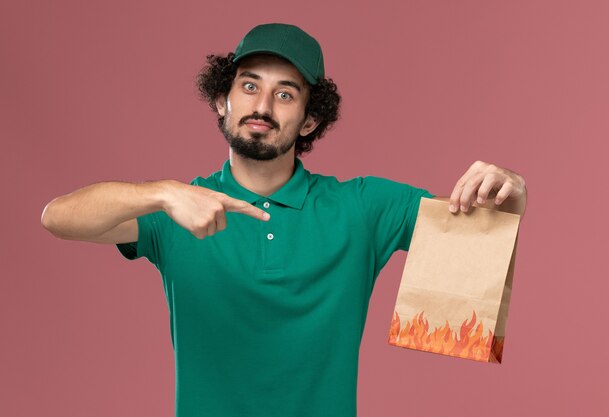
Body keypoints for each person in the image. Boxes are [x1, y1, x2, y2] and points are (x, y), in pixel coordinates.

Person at [41, 23, 527, 417]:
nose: (263, 107)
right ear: (222, 101)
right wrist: (164, 194)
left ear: (310, 120)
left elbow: (478, 260)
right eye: (249, 86)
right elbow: (57, 217)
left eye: (286, 94)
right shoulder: (177, 208)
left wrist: (508, 200)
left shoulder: (361, 208)